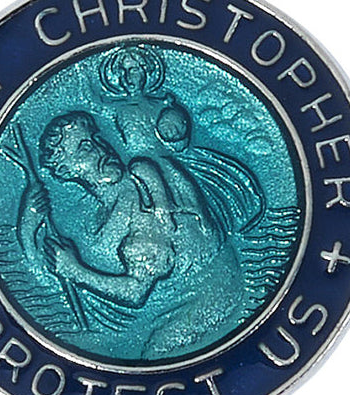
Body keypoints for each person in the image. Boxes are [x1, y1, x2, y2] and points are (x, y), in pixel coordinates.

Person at [17, 111, 244, 360]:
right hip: (167, 307)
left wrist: (75, 271)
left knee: (154, 357)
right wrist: (29, 228)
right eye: (85, 148)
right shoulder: (98, 223)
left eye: (97, 138)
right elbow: (45, 278)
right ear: (65, 170)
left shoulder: (145, 192)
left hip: (210, 296)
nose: (101, 149)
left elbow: (135, 293)